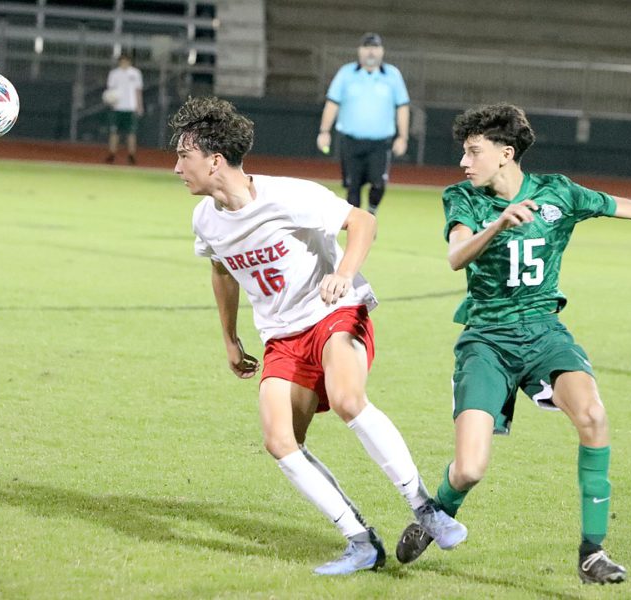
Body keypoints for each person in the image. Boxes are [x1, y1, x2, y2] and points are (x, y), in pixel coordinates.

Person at [395, 103, 631, 584]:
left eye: (473, 151)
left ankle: (592, 553)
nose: (464, 162)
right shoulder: (463, 198)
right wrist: (499, 223)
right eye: (464, 152)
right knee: (469, 470)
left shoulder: (558, 193)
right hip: (486, 341)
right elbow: (456, 255)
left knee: (593, 416)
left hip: (544, 332)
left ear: (506, 153)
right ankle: (435, 515)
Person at [171, 96, 466, 576]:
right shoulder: (205, 218)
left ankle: (425, 508)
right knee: (280, 440)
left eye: (184, 156)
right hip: (282, 337)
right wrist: (229, 336)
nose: (176, 168)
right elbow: (221, 270)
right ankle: (361, 542)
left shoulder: (287, 195)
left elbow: (363, 221)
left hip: (333, 314)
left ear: (215, 160)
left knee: (348, 399)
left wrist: (344, 274)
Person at [316, 32, 410, 215]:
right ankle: (358, 224)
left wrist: (403, 137)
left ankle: (371, 212)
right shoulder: (346, 73)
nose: (371, 52)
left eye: (375, 47)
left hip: (380, 144)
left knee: (379, 184)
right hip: (351, 142)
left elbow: (402, 107)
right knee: (353, 189)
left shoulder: (392, 75)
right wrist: (324, 131)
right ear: (360, 51)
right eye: (367, 47)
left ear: (382, 51)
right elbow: (332, 103)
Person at [104, 52, 144, 165]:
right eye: (122, 61)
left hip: (130, 108)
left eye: (126, 61)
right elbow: (110, 91)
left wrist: (139, 106)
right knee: (114, 132)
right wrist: (111, 101)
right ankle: (112, 154)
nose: (124, 63)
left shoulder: (135, 73)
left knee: (131, 133)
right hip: (117, 108)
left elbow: (138, 90)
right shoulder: (114, 74)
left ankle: (131, 155)